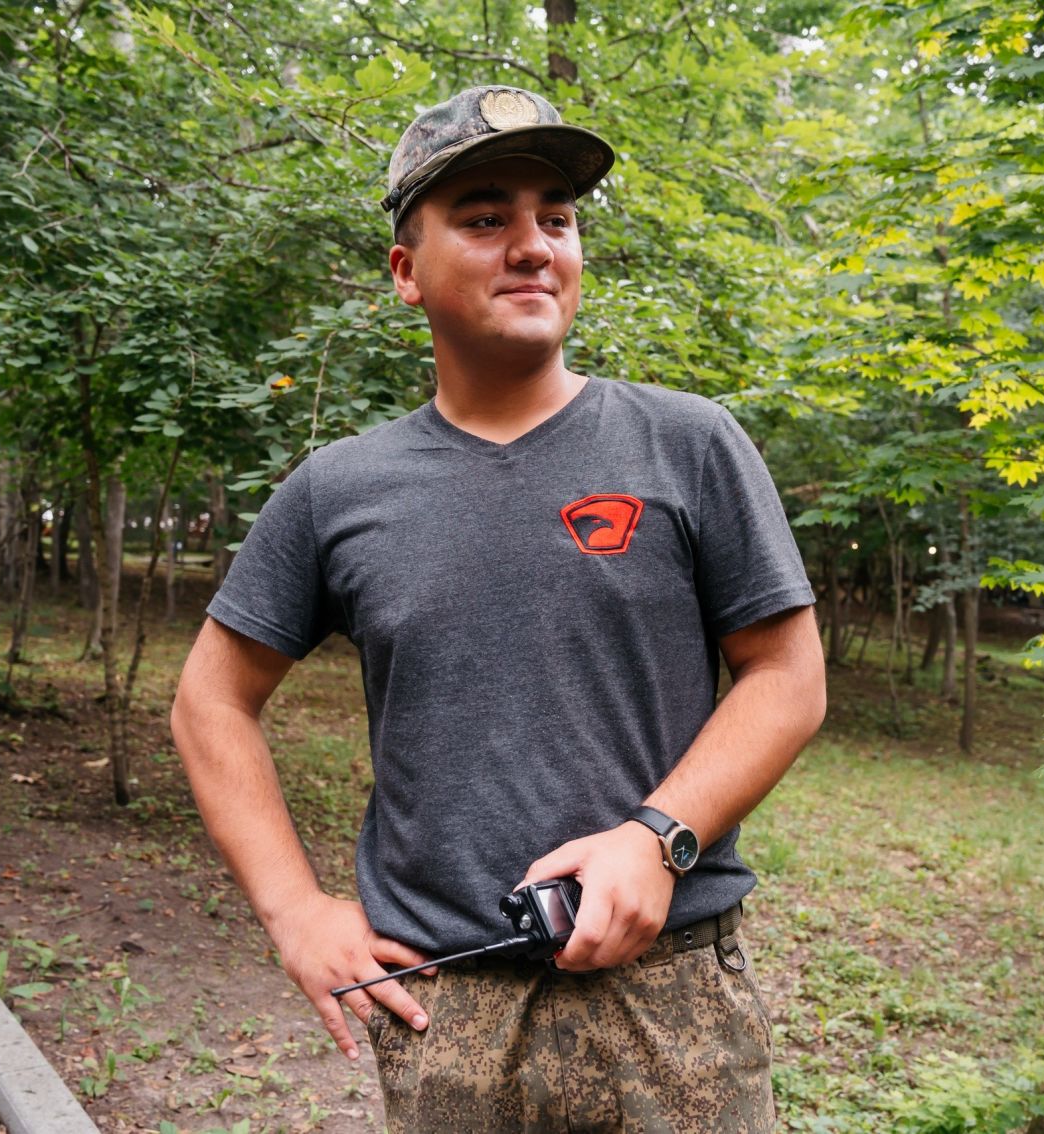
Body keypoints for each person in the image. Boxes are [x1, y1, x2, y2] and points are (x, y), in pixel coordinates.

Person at [173, 85, 825, 1132]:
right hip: (447, 1010)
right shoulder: (338, 490)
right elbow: (210, 700)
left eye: (555, 218)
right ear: (405, 271)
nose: (532, 246)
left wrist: (656, 838)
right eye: (484, 218)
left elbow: (787, 676)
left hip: (672, 1001)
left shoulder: (688, 444)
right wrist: (293, 910)